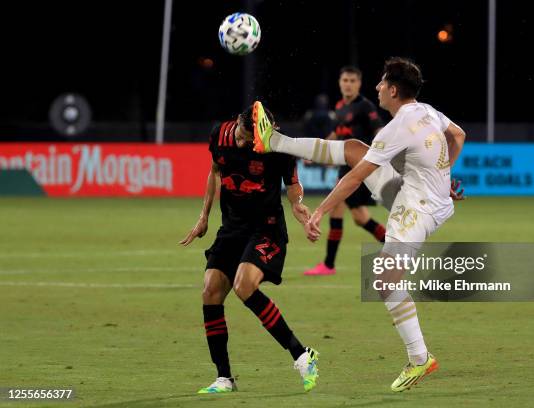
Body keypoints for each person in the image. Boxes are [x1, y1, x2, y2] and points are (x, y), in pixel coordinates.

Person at [250, 57, 466, 392]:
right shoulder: (427, 111)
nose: (377, 87)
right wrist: (444, 174)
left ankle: (420, 358)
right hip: (422, 196)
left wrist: (320, 211)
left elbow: (355, 179)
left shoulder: (397, 127)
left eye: (382, 83)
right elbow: (458, 134)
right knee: (353, 149)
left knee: (384, 279)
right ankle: (274, 141)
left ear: (393, 90)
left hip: (416, 209)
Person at [180, 105, 320, 394]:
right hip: (232, 227)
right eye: (245, 135)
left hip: (266, 228)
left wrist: (297, 205)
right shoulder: (219, 133)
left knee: (245, 285)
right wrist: (203, 216)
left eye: (253, 137)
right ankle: (224, 378)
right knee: (210, 291)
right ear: (237, 124)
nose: (247, 143)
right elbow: (214, 171)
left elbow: (292, 185)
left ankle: (302, 355)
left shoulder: (276, 144)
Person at [304, 66, 387, 277]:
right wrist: (315, 152)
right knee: (360, 217)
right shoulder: (340, 107)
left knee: (338, 208)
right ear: (340, 83)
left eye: (352, 80)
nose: (348, 84)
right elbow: (334, 135)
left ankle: (328, 265)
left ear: (359, 84)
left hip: (361, 167)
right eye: (345, 80)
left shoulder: (365, 106)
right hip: (346, 166)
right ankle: (397, 249)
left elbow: (379, 132)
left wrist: (380, 156)